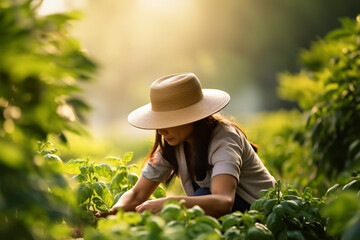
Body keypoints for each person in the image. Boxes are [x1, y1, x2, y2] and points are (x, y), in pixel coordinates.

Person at [95, 73, 275, 218]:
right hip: (230, 217)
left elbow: (223, 201)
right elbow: (136, 194)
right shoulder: (173, 144)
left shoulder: (224, 139)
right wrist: (113, 212)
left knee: (200, 198)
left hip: (262, 214)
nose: (162, 130)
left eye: (168, 121)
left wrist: (168, 203)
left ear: (193, 116)